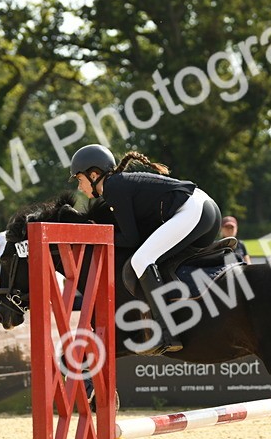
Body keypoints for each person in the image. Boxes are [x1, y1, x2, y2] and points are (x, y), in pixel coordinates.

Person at [68, 144, 220, 354]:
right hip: (205, 210)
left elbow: (131, 239)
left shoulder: (112, 188)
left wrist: (97, 236)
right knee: (154, 257)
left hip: (194, 211)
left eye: (79, 179)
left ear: (93, 175)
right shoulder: (117, 185)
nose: (79, 187)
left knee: (141, 260)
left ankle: (166, 333)